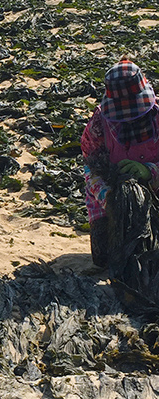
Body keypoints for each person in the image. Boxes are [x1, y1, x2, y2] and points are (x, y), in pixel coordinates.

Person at [81, 58, 159, 267]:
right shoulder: (99, 124)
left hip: (155, 192)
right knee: (105, 259)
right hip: (113, 197)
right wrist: (107, 196)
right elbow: (91, 168)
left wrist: (149, 171)